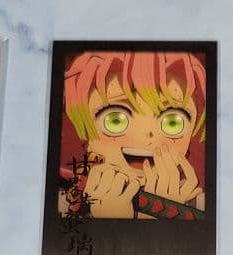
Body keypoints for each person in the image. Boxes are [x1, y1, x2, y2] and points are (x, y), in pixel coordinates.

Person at [60, 51, 207, 220]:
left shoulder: (203, 208)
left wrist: (162, 212)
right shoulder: (62, 205)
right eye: (115, 120)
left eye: (173, 122)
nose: (146, 135)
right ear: (87, 134)